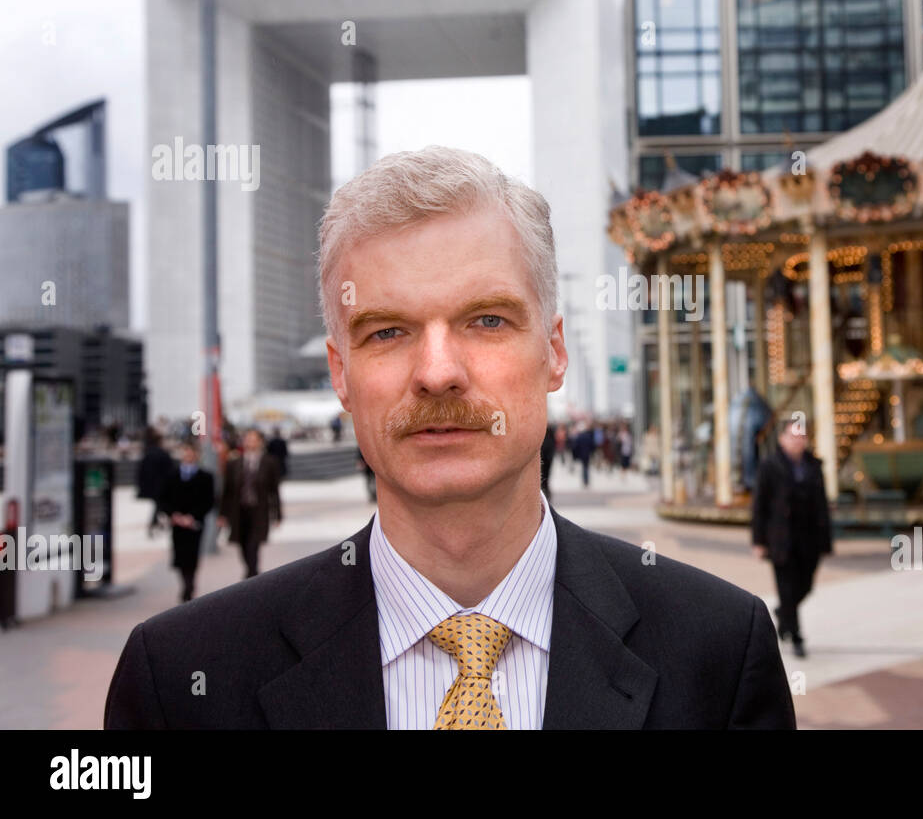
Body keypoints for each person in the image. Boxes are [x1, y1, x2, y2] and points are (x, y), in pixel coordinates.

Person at [105, 144, 793, 729]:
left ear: (554, 353)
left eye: (487, 320)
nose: (438, 373)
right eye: (388, 331)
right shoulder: (181, 681)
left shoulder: (720, 655)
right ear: (340, 374)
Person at [750, 419, 833, 658]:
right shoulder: (770, 465)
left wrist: (826, 540)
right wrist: (758, 540)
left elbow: (822, 505)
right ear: (782, 439)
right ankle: (796, 635)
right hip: (781, 539)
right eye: (793, 436)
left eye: (801, 437)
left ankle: (783, 613)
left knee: (805, 586)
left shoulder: (813, 465)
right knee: (786, 588)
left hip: (809, 538)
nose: (798, 441)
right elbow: (759, 506)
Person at [218, 428, 282, 578]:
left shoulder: (269, 462)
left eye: (254, 439)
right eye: (248, 439)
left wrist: (277, 515)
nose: (250, 442)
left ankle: (252, 575)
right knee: (242, 545)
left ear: (260, 442)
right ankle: (252, 573)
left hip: (258, 512)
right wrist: (222, 514)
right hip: (239, 511)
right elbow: (227, 491)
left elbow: (274, 491)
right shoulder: (234, 463)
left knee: (253, 545)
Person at [157, 440, 215, 603]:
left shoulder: (205, 477)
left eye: (191, 452)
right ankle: (186, 585)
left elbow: (209, 501)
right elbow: (162, 499)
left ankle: (189, 587)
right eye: (186, 452)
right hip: (177, 524)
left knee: (193, 555)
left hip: (195, 524)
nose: (188, 455)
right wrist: (173, 515)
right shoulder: (171, 476)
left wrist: (192, 517)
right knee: (180, 555)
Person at [135, 426, 175, 539]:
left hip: (152, 487)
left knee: (159, 506)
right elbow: (170, 471)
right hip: (162, 487)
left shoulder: (147, 453)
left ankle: (158, 524)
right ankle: (156, 524)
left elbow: (141, 471)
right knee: (161, 506)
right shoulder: (163, 454)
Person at [540, 422, 556, 501]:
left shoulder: (548, 431)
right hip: (545, 456)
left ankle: (545, 489)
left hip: (546, 456)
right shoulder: (549, 431)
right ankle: (545, 489)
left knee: (545, 474)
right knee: (545, 474)